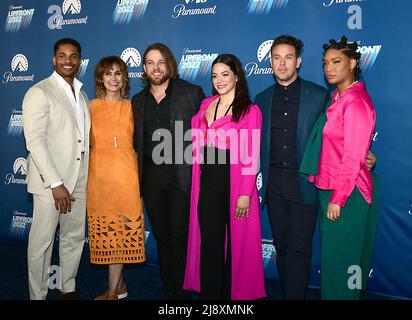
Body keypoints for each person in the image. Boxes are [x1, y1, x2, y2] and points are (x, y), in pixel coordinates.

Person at [255, 35, 376, 300]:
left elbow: (346, 137)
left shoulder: (320, 95)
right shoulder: (262, 99)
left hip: (307, 184)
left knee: (301, 248)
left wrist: (366, 156)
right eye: (277, 58)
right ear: (271, 62)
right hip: (274, 186)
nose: (282, 63)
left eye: (288, 57)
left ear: (297, 61)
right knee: (283, 247)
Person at [183, 54, 266, 300]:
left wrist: (244, 194)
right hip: (208, 181)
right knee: (210, 245)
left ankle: (232, 297)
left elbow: (251, 156)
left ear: (237, 76)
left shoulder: (250, 111)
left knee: (236, 248)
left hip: (234, 184)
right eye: (215, 76)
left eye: (225, 75)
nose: (219, 80)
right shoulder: (206, 105)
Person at [131, 43, 205, 299]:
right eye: (150, 62)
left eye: (161, 61)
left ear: (170, 64)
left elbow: (203, 137)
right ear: (144, 68)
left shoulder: (190, 93)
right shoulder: (137, 101)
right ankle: (169, 289)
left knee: (180, 237)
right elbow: (136, 143)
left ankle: (183, 292)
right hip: (151, 180)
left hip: (181, 179)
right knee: (162, 237)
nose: (156, 67)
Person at [22, 38, 90, 300]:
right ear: (54, 59)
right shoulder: (39, 92)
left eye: (73, 56)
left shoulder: (82, 95)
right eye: (62, 56)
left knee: (74, 236)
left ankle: (67, 287)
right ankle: (37, 295)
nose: (68, 61)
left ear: (79, 60)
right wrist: (55, 183)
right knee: (42, 244)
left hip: (80, 177)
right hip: (50, 183)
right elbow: (35, 141)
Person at [310, 36, 376, 299]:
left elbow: (352, 158)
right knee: (334, 263)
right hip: (329, 189)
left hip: (346, 195)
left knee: (342, 263)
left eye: (336, 62)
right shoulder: (337, 96)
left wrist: (338, 198)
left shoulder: (357, 102)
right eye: (326, 63)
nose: (329, 68)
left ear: (352, 63)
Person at [87, 56, 146, 300]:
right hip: (99, 178)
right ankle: (119, 285)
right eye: (108, 73)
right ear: (100, 77)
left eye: (118, 73)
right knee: (109, 235)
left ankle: (112, 293)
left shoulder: (132, 106)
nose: (113, 78)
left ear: (124, 78)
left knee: (122, 233)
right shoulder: (89, 106)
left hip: (126, 178)